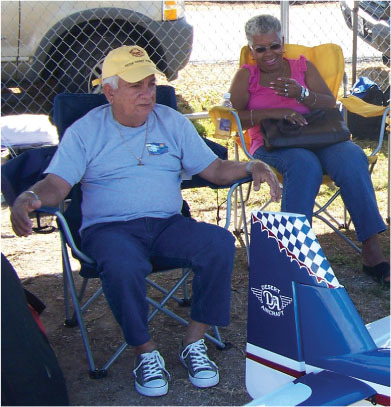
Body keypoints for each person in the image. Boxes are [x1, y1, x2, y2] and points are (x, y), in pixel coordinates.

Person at [10, 45, 281, 397]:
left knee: (218, 243)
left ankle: (194, 343)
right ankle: (145, 351)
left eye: (151, 84)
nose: (147, 93)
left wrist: (250, 166)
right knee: (122, 264)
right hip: (110, 229)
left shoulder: (172, 122)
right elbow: (56, 185)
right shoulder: (85, 131)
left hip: (167, 224)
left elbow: (213, 169)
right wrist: (28, 198)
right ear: (109, 91)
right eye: (136, 85)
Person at [229, 14, 389, 287]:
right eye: (260, 49)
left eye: (274, 46)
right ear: (252, 50)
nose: (269, 54)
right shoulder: (247, 75)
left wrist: (302, 95)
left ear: (282, 42)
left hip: (318, 135)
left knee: (352, 157)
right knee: (304, 164)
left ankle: (371, 249)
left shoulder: (302, 67)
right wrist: (280, 112)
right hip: (272, 141)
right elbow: (234, 117)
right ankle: (294, 255)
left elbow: (329, 102)